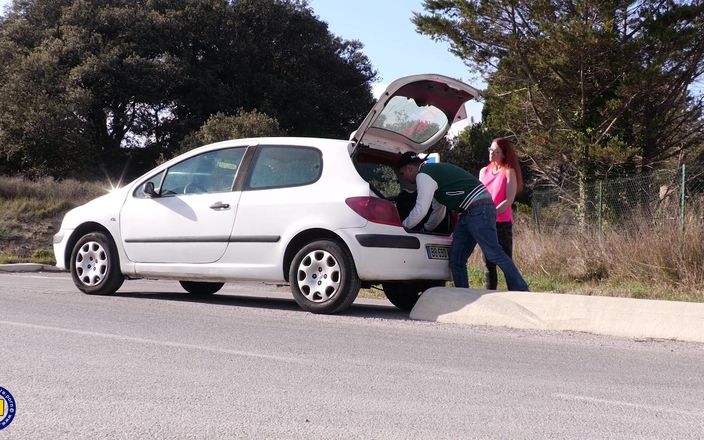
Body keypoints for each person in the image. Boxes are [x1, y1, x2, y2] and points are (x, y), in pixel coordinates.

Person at [397, 152, 528, 291]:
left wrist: (403, 227)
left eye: (402, 173)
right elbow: (438, 212)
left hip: (479, 208)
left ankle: (521, 289)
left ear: (409, 168)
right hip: (470, 212)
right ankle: (462, 295)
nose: (404, 178)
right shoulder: (433, 175)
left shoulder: (423, 175)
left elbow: (421, 209)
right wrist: (425, 230)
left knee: (493, 252)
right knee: (456, 258)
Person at [479, 137, 523, 290]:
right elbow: (480, 196)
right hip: (486, 223)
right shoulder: (483, 172)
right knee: (488, 263)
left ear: (504, 154)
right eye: (490, 150)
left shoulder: (509, 172)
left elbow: (509, 200)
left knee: (505, 261)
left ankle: (516, 291)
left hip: (502, 224)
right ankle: (489, 294)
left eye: (496, 151)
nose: (492, 153)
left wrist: (492, 213)